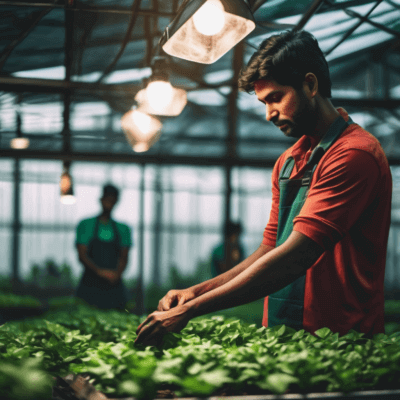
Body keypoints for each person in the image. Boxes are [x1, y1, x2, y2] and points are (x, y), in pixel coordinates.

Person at [135, 30, 392, 345]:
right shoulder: (288, 162)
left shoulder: (354, 154)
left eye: (275, 98)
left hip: (340, 341)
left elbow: (296, 256)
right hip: (284, 335)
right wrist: (194, 293)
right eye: (263, 102)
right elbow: (269, 250)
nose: (269, 113)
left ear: (310, 85)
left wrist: (193, 310)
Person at [75, 184, 132, 310]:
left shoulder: (123, 229)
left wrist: (116, 274)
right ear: (101, 199)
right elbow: (82, 255)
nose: (109, 203)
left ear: (116, 202)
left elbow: (124, 256)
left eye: (112, 200)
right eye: (107, 199)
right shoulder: (86, 225)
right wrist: (100, 272)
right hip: (90, 287)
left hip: (114, 288)